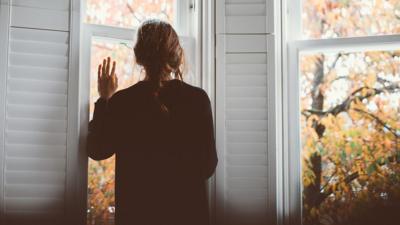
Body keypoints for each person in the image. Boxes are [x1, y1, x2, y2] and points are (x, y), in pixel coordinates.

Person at [87, 19, 218, 225]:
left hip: (137, 214)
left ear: (139, 57)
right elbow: (208, 166)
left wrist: (104, 99)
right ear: (176, 55)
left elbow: (97, 149)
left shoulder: (122, 101)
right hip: (188, 214)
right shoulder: (197, 99)